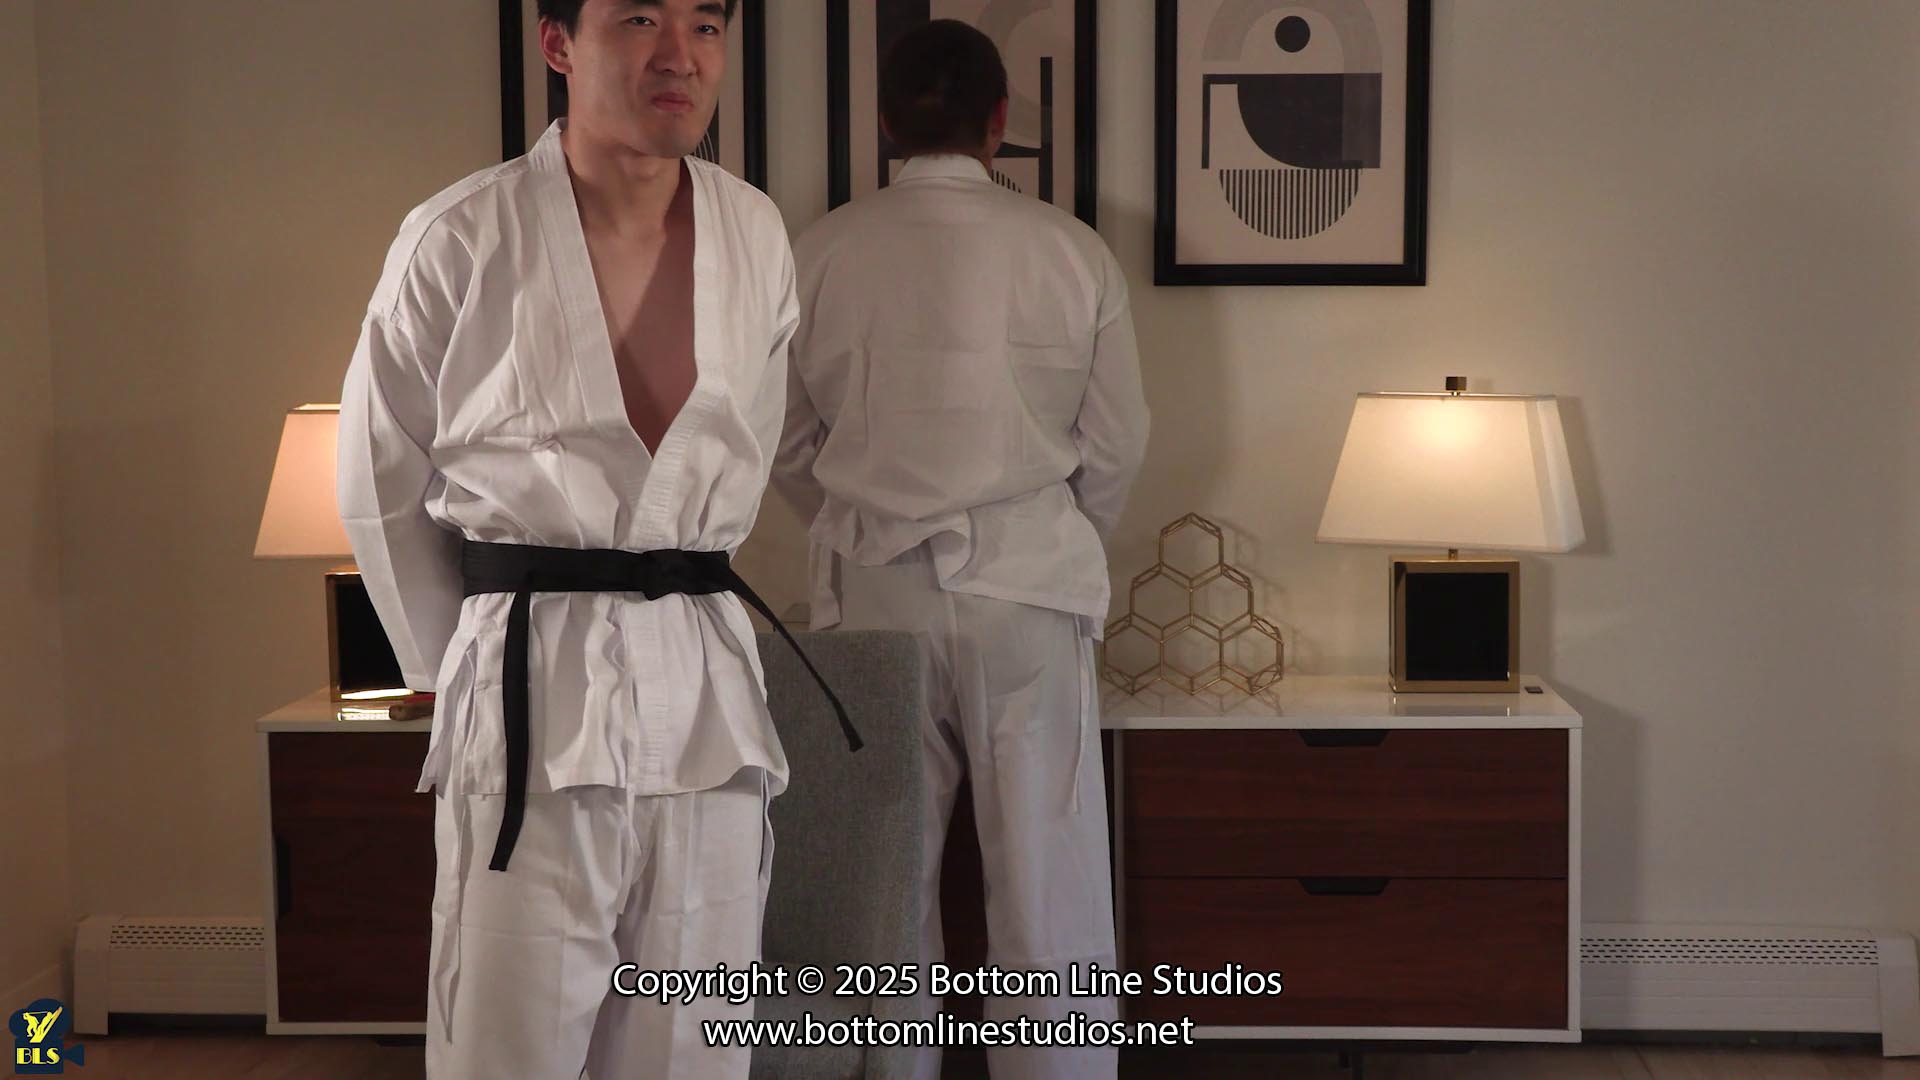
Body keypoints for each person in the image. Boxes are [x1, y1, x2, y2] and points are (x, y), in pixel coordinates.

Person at [336, 2, 853, 1076]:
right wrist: (457, 669)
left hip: (707, 691)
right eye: (640, 19)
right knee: (507, 1042)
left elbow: (751, 445)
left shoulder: (753, 231)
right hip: (531, 685)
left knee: (692, 1042)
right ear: (559, 42)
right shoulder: (460, 236)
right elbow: (378, 480)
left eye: (706, 24)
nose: (680, 55)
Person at [775, 19, 1150, 1079]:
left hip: (872, 590)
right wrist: (1062, 536)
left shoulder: (819, 251)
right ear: (999, 120)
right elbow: (1118, 442)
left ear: (885, 121)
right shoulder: (1071, 250)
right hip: (1027, 588)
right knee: (1046, 872)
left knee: (883, 873)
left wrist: (849, 523)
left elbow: (784, 442)